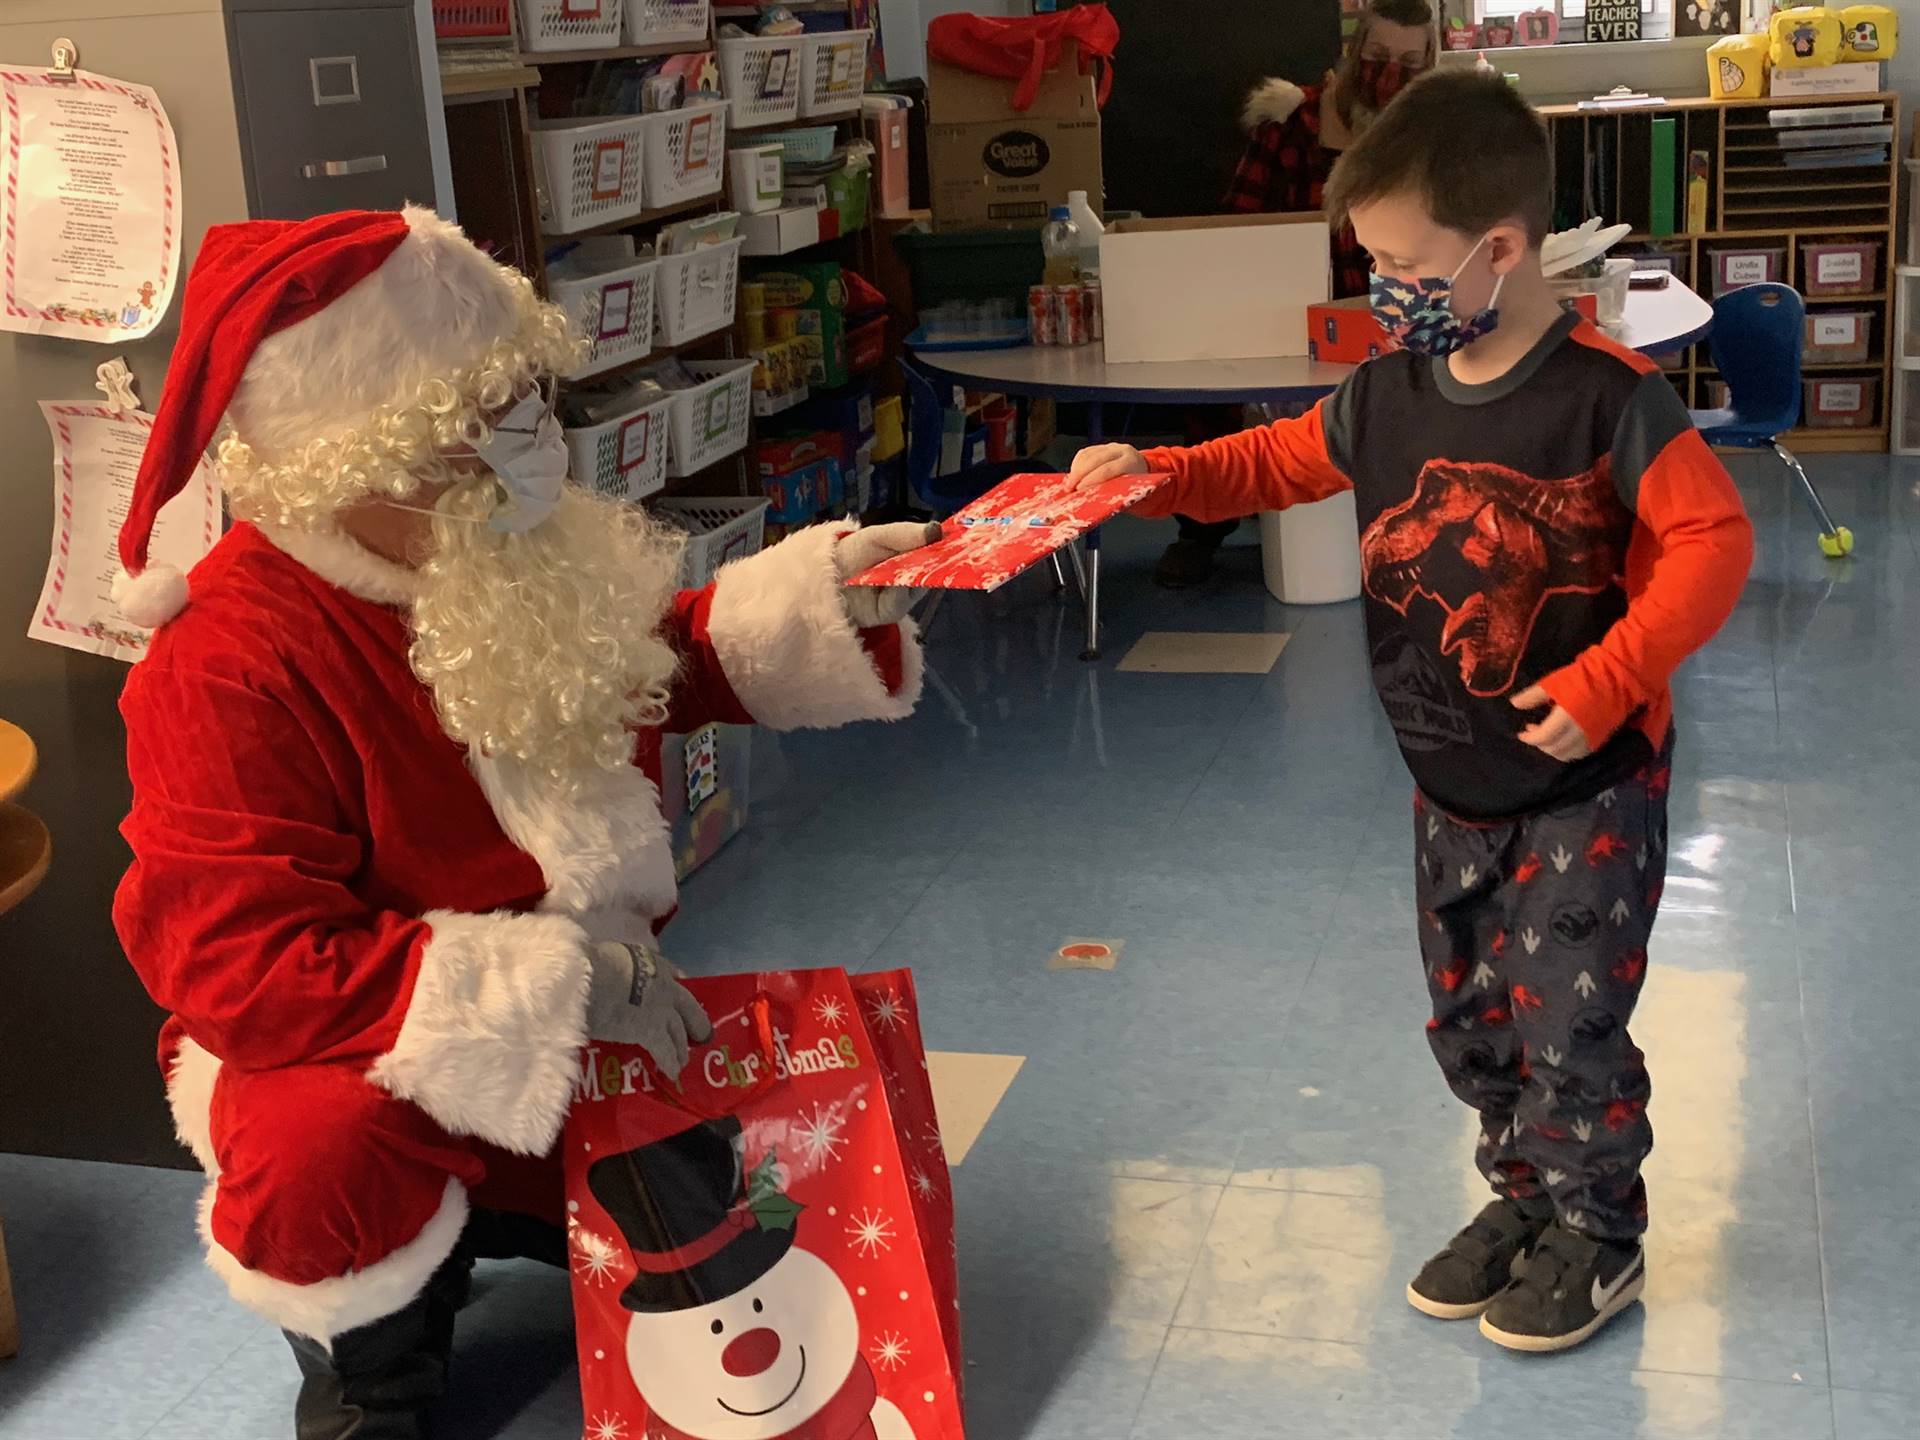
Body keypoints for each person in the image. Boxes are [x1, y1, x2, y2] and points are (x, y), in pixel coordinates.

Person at [109, 207, 938, 1438]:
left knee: (723, 1208)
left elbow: (652, 658)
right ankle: (373, 1364)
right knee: (319, 1150)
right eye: (474, 426)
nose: (529, 447)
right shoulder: (229, 660)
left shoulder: (505, 550)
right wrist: (561, 984)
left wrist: (827, 592)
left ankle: (506, 1217)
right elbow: (241, 965)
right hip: (356, 1045)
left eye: (523, 402)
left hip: (581, 999)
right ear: (348, 462)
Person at [1068, 72, 1753, 1353]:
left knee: (1570, 1022)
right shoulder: (1388, 390)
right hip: (1451, 787)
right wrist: (1154, 475)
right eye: (1367, 258)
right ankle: (1524, 1202)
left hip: (1584, 792)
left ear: (1499, 251)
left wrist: (1610, 673)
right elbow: (1274, 460)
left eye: (1399, 262)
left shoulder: (1605, 399)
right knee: (1473, 1018)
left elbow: (1713, 539)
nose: (1380, 286)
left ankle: (1597, 1235)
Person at [1157, 0, 1437, 590]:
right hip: (1285, 311)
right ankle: (1203, 525)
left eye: (1410, 63)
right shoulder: (1293, 123)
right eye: (1379, 57)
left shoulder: (1430, 135)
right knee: (1219, 390)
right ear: (1354, 51)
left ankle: (1407, 530)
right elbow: (1238, 224)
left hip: (1388, 313)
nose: (1390, 76)